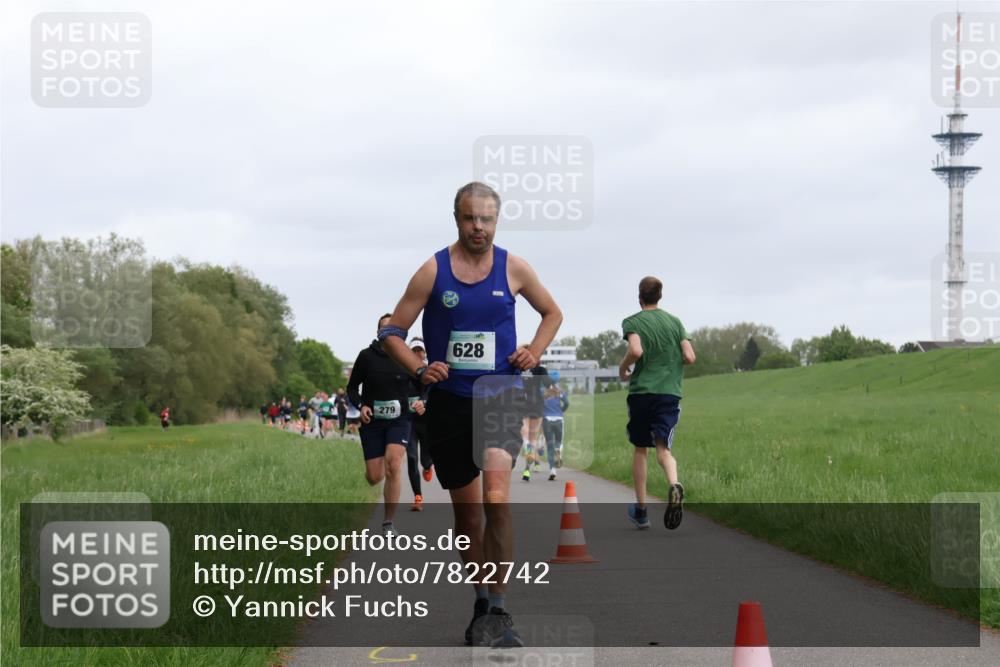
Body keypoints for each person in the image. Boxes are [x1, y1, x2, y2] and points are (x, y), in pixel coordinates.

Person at [381, 181, 562, 648]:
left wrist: (532, 352)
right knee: (469, 517)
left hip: (501, 395)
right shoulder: (432, 271)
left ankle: (500, 608)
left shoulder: (514, 267)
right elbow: (392, 332)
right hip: (451, 404)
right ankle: (480, 599)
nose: (478, 227)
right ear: (457, 218)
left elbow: (552, 313)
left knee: (497, 501)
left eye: (487, 219)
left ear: (496, 221)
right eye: (469, 218)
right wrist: (420, 368)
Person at [619, 276, 696, 531]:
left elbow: (636, 350)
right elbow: (689, 356)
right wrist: (671, 364)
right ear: (660, 296)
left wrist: (623, 368)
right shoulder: (675, 323)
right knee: (663, 450)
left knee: (641, 448)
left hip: (641, 392)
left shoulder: (632, 321)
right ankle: (674, 485)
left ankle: (641, 512)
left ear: (639, 297)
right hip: (668, 393)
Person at [347, 313, 425, 537]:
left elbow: (424, 384)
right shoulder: (366, 356)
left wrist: (423, 402)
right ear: (378, 333)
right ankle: (376, 478)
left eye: (393, 329)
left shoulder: (407, 357)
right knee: (374, 477)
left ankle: (388, 522)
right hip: (372, 422)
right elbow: (352, 388)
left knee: (394, 464)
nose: (388, 333)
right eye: (384, 330)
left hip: (400, 420)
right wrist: (361, 405)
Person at [405, 338, 433, 511]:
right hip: (408, 421)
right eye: (414, 351)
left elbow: (434, 393)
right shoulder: (401, 370)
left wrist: (424, 402)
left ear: (424, 354)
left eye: (420, 351)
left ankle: (429, 466)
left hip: (426, 421)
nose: (417, 354)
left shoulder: (431, 372)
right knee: (411, 458)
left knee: (425, 460)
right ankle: (418, 497)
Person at [519, 364, 551, 482]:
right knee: (533, 438)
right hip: (537, 402)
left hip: (522, 401)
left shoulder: (518, 368)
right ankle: (527, 469)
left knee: (524, 431)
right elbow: (548, 384)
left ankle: (526, 446)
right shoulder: (540, 369)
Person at [541, 372, 569, 480]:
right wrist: (561, 411)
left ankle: (552, 470)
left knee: (549, 446)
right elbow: (566, 403)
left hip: (547, 420)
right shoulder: (560, 392)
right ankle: (558, 450)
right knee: (559, 441)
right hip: (559, 419)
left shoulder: (542, 392)